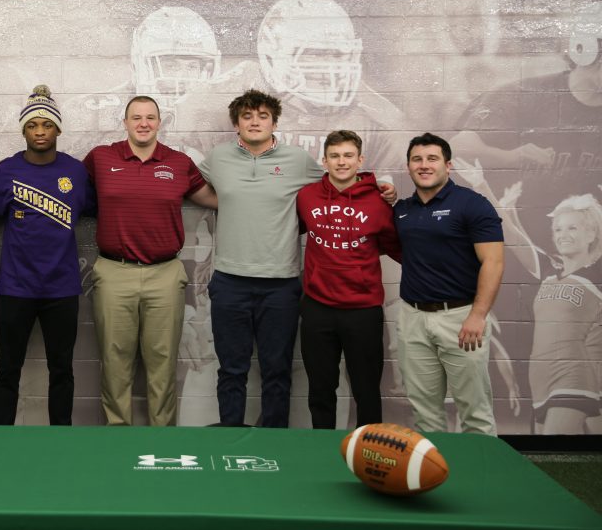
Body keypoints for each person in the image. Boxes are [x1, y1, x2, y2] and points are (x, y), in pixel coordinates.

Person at [200, 91, 397, 428]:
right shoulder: (218, 158)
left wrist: (381, 187)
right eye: (247, 116)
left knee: (276, 369)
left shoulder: (298, 160)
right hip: (230, 280)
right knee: (231, 369)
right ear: (236, 124)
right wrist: (228, 203)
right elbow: (194, 187)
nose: (255, 122)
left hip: (280, 284)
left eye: (263, 116)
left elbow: (339, 180)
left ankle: (275, 441)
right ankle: (229, 435)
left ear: (274, 123)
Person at [83, 95, 217, 426]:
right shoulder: (101, 158)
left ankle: (162, 438)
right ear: (125, 122)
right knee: (115, 362)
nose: (143, 123)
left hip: (164, 274)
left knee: (163, 363)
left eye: (150, 117)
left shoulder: (179, 162)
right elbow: (71, 192)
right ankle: (118, 434)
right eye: (136, 117)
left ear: (159, 122)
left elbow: (213, 199)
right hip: (114, 272)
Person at [0, 86, 95, 425]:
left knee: (62, 369)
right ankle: (2, 438)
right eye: (32, 125)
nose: (40, 131)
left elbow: (93, 208)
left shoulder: (76, 172)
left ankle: (60, 439)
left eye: (47, 124)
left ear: (58, 129)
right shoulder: (6, 171)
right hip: (16, 287)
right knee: (8, 368)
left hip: (62, 287)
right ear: (24, 131)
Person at [394, 132, 504, 435]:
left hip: (461, 318)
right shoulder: (402, 210)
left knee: (475, 411)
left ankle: (481, 467)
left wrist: (477, 315)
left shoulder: (473, 204)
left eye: (432, 158)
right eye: (417, 159)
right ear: (408, 166)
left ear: (448, 165)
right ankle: (434, 467)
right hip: (413, 319)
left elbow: (493, 262)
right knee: (424, 413)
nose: (424, 165)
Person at [296, 130, 402, 429]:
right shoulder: (306, 196)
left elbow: (395, 247)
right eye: (335, 156)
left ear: (360, 160)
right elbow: (289, 229)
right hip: (317, 307)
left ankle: (370, 449)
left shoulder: (379, 201)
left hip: (363, 309)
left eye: (348, 155)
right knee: (320, 389)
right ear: (324, 161)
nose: (341, 162)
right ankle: (321, 448)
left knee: (366, 390)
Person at [529, 194, 602, 434]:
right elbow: (515, 238)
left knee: (554, 449)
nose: (563, 234)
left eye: (573, 228)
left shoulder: (597, 274)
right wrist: (482, 186)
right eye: (558, 229)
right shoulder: (548, 273)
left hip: (574, 376)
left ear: (591, 235)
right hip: (540, 381)